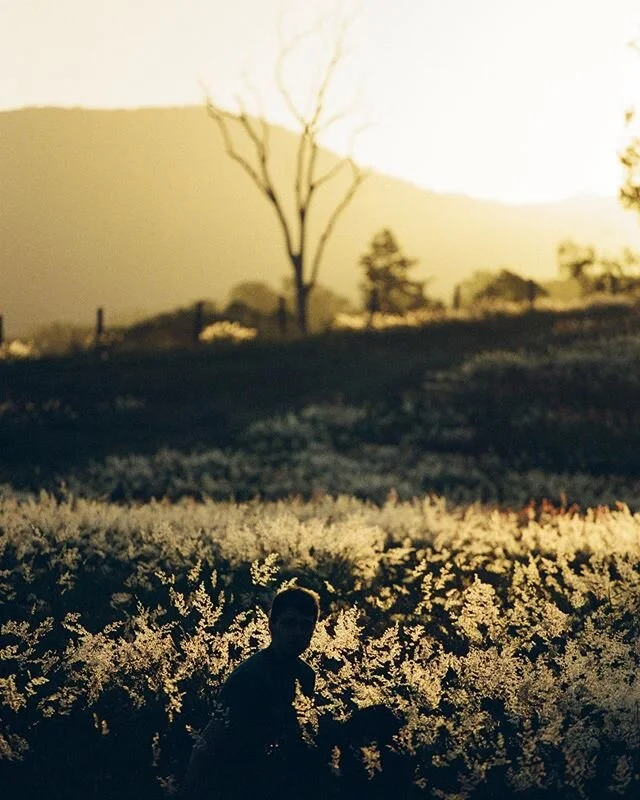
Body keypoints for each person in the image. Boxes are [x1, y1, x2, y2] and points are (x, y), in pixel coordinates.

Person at [182, 586, 321, 800]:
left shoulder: (305, 675)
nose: (298, 633)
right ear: (271, 626)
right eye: (289, 623)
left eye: (305, 625)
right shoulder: (249, 677)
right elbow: (207, 745)